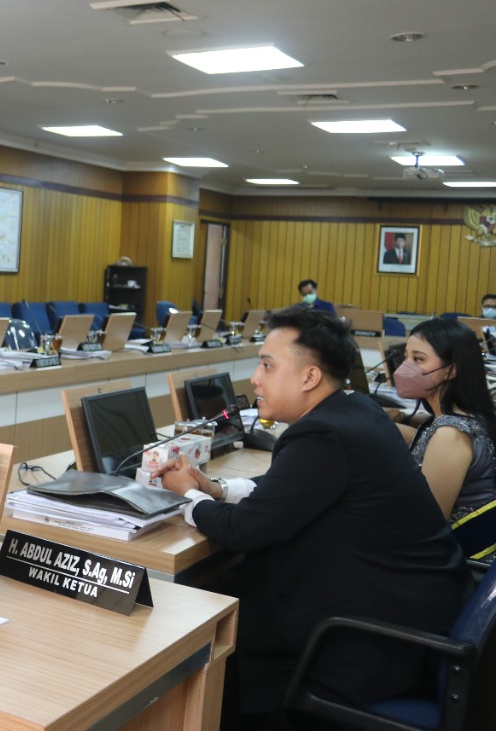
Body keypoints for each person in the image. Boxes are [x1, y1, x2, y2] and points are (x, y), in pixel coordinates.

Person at [154, 307, 470, 727]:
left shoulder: (323, 435)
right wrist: (216, 489)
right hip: (414, 611)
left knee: (217, 636)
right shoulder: (355, 409)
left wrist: (187, 494)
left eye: (267, 365)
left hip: (372, 644)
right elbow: (290, 489)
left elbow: (242, 529)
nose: (255, 379)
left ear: (310, 377)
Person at [395, 318, 496, 543]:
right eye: (406, 357)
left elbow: (425, 524)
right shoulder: (462, 417)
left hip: (461, 556)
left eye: (418, 359)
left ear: (451, 370)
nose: (406, 367)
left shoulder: (450, 434)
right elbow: (423, 439)